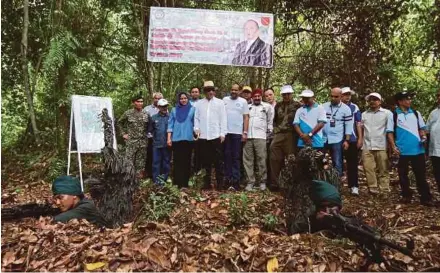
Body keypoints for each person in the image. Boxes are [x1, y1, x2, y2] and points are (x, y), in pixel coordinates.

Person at [387, 91, 433, 206]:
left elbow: (422, 128)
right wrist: (393, 146)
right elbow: (390, 132)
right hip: (402, 150)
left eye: (409, 99)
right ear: (400, 101)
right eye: (407, 99)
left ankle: (425, 197)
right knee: (403, 175)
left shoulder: (416, 113)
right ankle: (406, 195)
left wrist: (423, 137)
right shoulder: (394, 115)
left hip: (418, 149)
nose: (409, 101)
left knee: (421, 174)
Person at [194, 81, 227, 190]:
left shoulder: (220, 103)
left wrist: (222, 133)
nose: (211, 92)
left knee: (219, 162)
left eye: (212, 90)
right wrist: (196, 129)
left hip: (216, 136)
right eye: (208, 90)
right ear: (204, 91)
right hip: (203, 136)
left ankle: (220, 184)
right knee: (205, 162)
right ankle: (207, 184)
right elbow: (196, 118)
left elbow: (223, 119)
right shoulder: (199, 103)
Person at [358, 92, 392, 195]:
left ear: (380, 101)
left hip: (381, 144)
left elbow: (389, 129)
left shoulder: (387, 113)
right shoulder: (364, 114)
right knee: (368, 168)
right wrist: (360, 139)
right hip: (367, 145)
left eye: (375, 99)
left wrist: (391, 145)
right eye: (370, 100)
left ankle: (384, 189)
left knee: (383, 169)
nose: (372, 101)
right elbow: (360, 127)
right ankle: (372, 188)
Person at [270, 85, 301, 190]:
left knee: (291, 158)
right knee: (274, 155)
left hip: (291, 134)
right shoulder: (278, 105)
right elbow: (274, 120)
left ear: (292, 94)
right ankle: (275, 183)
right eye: (284, 94)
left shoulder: (298, 105)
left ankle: (291, 183)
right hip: (279, 133)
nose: (286, 96)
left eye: (288, 94)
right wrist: (274, 129)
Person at [243, 89, 273, 191]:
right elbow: (244, 120)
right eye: (255, 96)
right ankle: (250, 182)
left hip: (261, 137)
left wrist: (268, 134)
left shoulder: (267, 107)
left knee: (261, 159)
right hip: (248, 137)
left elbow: (270, 122)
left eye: (258, 96)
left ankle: (262, 182)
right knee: (248, 160)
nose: (256, 98)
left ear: (261, 97)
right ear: (252, 97)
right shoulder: (247, 107)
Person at [223, 83, 250, 190]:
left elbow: (246, 118)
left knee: (236, 157)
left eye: (236, 90)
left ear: (239, 91)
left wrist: (245, 132)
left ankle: (236, 181)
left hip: (237, 133)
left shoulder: (243, 102)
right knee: (227, 156)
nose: (234, 91)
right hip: (226, 133)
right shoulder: (224, 100)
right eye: (232, 89)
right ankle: (228, 180)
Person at [322, 88, 354, 177]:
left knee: (337, 161)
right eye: (331, 96)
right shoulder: (324, 106)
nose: (333, 98)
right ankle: (321, 181)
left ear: (341, 96)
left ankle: (337, 182)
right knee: (320, 159)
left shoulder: (346, 109)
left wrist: (347, 140)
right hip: (323, 138)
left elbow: (348, 125)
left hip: (337, 138)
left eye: (336, 97)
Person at [167, 92, 195, 188]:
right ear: (179, 100)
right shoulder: (174, 110)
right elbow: (170, 125)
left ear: (188, 99)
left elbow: (196, 124)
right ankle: (177, 183)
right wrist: (169, 138)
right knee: (177, 161)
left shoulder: (192, 109)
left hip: (188, 139)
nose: (183, 100)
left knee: (186, 161)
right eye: (181, 98)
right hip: (176, 139)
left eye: (185, 98)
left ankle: (185, 184)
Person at [118, 94, 149, 176]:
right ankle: (129, 178)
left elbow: (150, 126)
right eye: (138, 101)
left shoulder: (146, 113)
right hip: (131, 141)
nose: (140, 103)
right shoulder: (128, 113)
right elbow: (119, 123)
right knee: (129, 161)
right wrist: (123, 134)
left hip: (143, 142)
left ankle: (138, 179)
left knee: (141, 162)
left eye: (141, 102)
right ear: (133, 103)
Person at [341, 87, 362, 195]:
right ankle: (337, 186)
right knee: (338, 163)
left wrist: (360, 138)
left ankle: (354, 186)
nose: (347, 96)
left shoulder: (354, 107)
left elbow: (358, 123)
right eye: (345, 94)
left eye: (349, 94)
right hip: (338, 139)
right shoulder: (336, 106)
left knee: (352, 163)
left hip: (352, 139)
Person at [148, 98, 171, 185]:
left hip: (167, 144)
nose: (164, 108)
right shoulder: (153, 118)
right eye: (162, 106)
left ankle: (164, 180)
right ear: (158, 107)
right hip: (156, 144)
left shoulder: (170, 117)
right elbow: (150, 130)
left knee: (166, 162)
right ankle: (156, 181)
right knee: (156, 163)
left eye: (165, 106)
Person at [144, 92, 164, 178]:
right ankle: (149, 173)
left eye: (159, 98)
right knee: (150, 155)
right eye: (156, 98)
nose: (157, 100)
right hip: (150, 137)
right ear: (153, 99)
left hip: (160, 136)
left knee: (160, 156)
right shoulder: (147, 109)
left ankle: (160, 174)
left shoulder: (164, 108)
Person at [426, 89, 440, 196]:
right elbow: (427, 130)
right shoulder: (433, 113)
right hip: (435, 149)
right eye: (438, 96)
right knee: (437, 173)